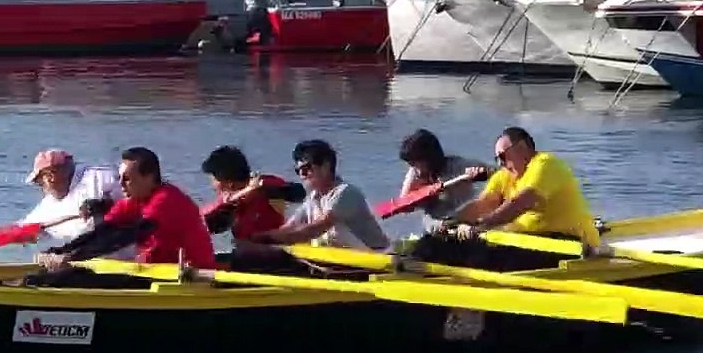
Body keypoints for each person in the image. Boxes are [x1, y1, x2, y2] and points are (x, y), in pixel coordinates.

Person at [409, 126, 600, 271]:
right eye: (497, 158)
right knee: (434, 243)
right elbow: (483, 204)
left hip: (569, 244)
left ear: (523, 148)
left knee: (484, 255)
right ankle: (413, 268)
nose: (500, 163)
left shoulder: (545, 165)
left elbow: (520, 203)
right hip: (528, 241)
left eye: (503, 156)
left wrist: (480, 226)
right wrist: (451, 222)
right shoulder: (505, 175)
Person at [22, 146, 217, 288]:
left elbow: (124, 238)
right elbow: (103, 232)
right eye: (120, 177)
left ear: (149, 177)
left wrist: (71, 257)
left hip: (190, 280)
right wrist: (60, 249)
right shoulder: (135, 199)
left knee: (72, 278)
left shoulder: (167, 200)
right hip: (154, 272)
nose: (121, 184)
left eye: (127, 179)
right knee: (65, 274)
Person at [0, 148, 126, 259]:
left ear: (50, 176)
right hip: (87, 263)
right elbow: (22, 232)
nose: (41, 187)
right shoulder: (49, 207)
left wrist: (107, 204)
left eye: (39, 182)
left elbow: (136, 198)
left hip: (126, 263)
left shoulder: (100, 177)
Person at [251, 139, 390, 252]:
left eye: (306, 169)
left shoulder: (345, 193)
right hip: (347, 261)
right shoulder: (313, 197)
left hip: (377, 259)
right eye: (297, 170)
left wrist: (265, 238)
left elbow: (315, 229)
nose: (301, 175)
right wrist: (255, 239)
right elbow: (289, 228)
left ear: (326, 166)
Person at [200, 145, 306, 241]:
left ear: (227, 181)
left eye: (214, 179)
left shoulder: (265, 185)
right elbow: (202, 223)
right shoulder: (227, 201)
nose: (212, 185)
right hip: (243, 251)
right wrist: (245, 192)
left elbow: (300, 193)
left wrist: (260, 189)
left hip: (272, 250)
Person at [396, 129, 490, 234]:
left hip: (464, 226)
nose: (412, 168)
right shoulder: (414, 173)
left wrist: (478, 173)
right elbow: (403, 207)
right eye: (410, 164)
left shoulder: (458, 166)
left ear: (429, 158)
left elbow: (495, 172)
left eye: (414, 163)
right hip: (436, 228)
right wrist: (425, 197)